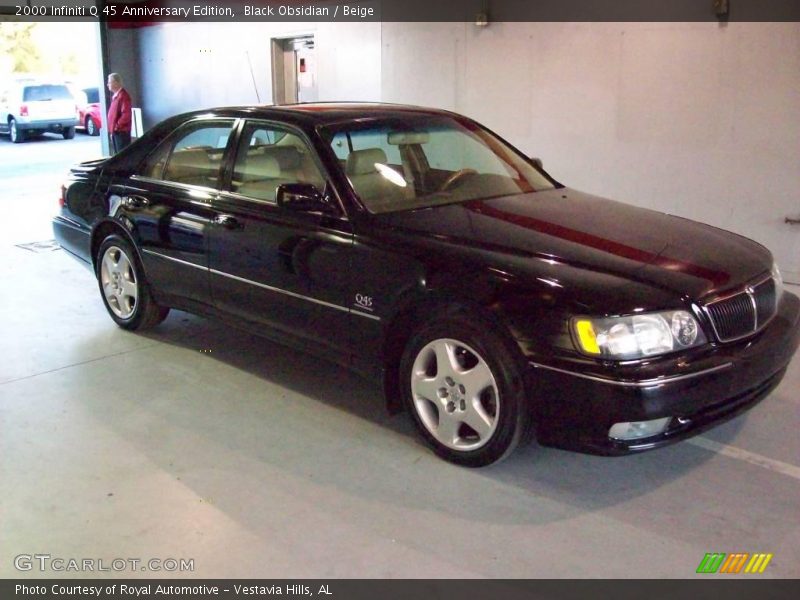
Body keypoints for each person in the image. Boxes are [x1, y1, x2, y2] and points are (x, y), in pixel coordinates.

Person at [106, 73, 132, 154]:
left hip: (121, 133)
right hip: (116, 132)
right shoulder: (117, 96)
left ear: (116, 83)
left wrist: (117, 126)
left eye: (109, 82)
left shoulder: (123, 96)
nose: (108, 84)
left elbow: (126, 115)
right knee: (117, 155)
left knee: (122, 156)